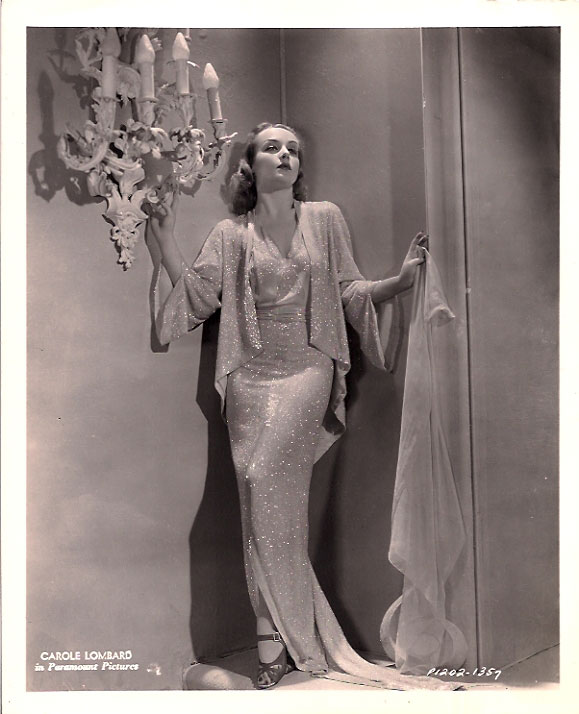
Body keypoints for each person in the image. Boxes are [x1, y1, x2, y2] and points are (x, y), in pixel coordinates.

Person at [149, 123, 433, 690]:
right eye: (272, 147)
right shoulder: (231, 234)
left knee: (261, 478)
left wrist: (399, 283)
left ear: (300, 166)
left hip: (307, 367)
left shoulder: (324, 219)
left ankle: (279, 635)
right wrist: (166, 241)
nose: (285, 154)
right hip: (248, 379)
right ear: (249, 165)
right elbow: (200, 297)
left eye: (293, 149)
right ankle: (275, 635)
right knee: (257, 501)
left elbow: (349, 291)